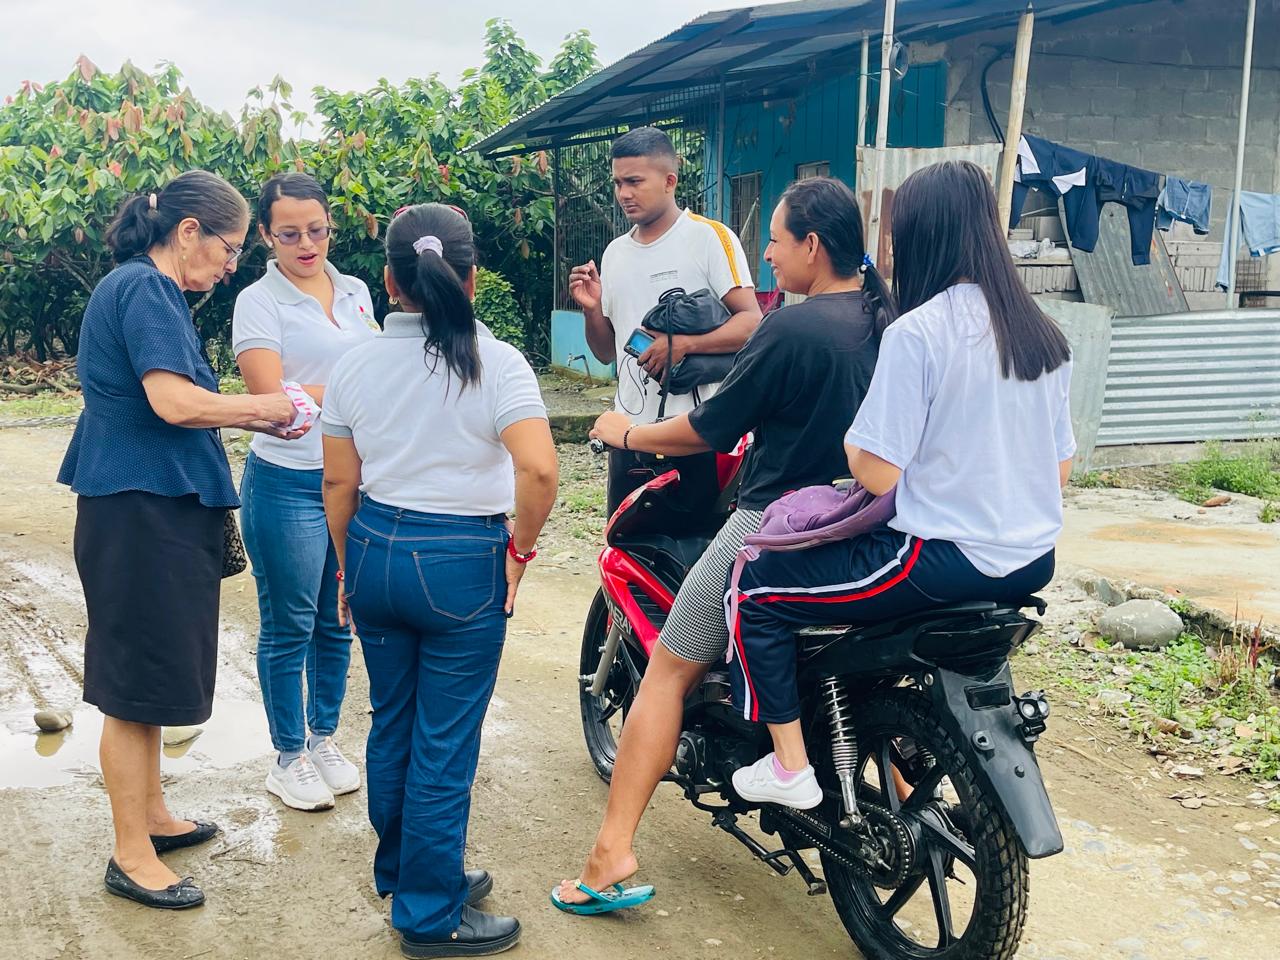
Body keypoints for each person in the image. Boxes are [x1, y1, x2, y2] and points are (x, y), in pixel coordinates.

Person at [554, 177, 896, 912]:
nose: (767, 255)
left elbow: (710, 429)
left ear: (812, 245)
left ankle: (609, 856)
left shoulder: (792, 329)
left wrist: (629, 432)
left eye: (775, 240)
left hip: (774, 525)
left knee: (668, 670)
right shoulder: (887, 319)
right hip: (872, 522)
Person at [727, 160, 1075, 810]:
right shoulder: (1042, 335)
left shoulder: (920, 331)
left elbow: (876, 471)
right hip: (1031, 562)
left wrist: (860, 447)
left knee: (757, 589)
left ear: (918, 237)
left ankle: (790, 766)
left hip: (940, 560)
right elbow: (1058, 472)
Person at [57, 171, 302, 909]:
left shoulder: (151, 291)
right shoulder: (144, 288)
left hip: (150, 505)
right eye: (230, 248)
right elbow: (172, 401)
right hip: (138, 509)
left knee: (154, 674)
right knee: (132, 686)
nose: (230, 265)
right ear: (189, 231)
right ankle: (130, 854)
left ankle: (154, 816)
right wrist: (267, 408)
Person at [322, 203, 558, 958]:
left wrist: (347, 568)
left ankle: (410, 872)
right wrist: (519, 553)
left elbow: (339, 483)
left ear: (390, 281)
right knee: (444, 741)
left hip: (375, 548)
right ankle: (429, 916)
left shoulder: (353, 364)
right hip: (460, 561)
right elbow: (540, 472)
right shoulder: (498, 362)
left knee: (394, 720)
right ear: (472, 278)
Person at [233, 173, 377, 811]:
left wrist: (317, 391)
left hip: (351, 481)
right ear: (266, 235)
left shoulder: (355, 291)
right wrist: (349, 388)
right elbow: (270, 398)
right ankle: (287, 755)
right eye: (289, 234)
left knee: (336, 618)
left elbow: (367, 375)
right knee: (288, 623)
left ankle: (323, 739)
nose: (306, 245)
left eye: (316, 230)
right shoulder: (258, 301)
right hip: (287, 481)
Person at [568, 126, 762, 515]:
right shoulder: (615, 253)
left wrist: (684, 346)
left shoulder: (709, 238)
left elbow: (753, 323)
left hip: (698, 437)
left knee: (702, 549)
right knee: (629, 545)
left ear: (670, 181)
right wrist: (591, 309)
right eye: (618, 183)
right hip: (629, 436)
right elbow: (607, 352)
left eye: (635, 181)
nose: (624, 193)